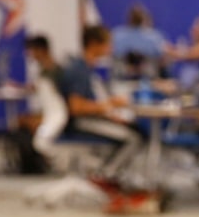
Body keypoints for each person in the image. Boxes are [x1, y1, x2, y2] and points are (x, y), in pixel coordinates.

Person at [57, 24, 144, 186]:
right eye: (107, 44)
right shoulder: (79, 70)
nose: (110, 48)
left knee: (133, 129)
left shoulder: (86, 68)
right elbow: (77, 108)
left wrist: (111, 117)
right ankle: (104, 179)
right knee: (132, 139)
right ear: (93, 44)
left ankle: (108, 175)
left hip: (90, 119)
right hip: (80, 123)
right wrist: (109, 105)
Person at [111, 3, 168, 80]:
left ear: (129, 19)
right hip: (148, 78)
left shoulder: (117, 35)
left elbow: (112, 53)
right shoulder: (154, 37)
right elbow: (162, 57)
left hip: (123, 78)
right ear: (144, 19)